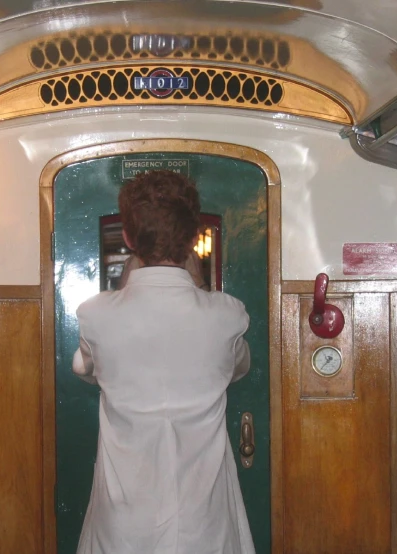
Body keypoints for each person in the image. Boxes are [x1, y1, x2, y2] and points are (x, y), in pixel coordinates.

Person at [72, 169, 255, 554]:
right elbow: (238, 369)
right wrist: (201, 286)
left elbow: (84, 369)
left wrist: (123, 290)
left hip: (122, 523)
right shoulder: (227, 315)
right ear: (192, 240)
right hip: (206, 522)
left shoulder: (95, 315)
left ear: (127, 238)